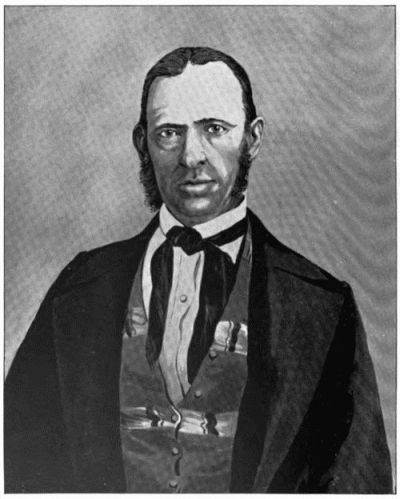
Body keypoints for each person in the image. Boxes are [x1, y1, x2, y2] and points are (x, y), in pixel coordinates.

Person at [4, 46, 392, 493]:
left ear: (252, 138)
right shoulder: (79, 289)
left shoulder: (322, 308)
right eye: (169, 132)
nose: (191, 156)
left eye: (214, 129)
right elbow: (20, 462)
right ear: (142, 143)